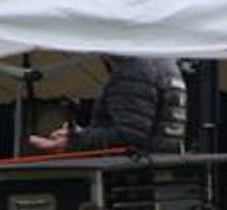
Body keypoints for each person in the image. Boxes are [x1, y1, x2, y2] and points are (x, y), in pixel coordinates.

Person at [28, 56, 188, 154]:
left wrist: (75, 140)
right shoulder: (166, 64)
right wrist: (79, 134)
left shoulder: (133, 71)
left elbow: (129, 137)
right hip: (159, 167)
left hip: (136, 176)